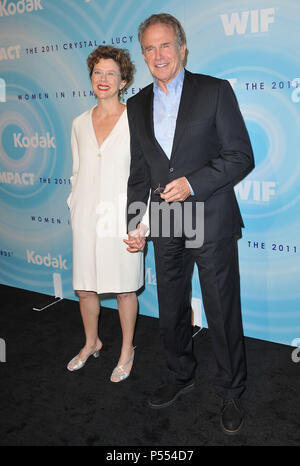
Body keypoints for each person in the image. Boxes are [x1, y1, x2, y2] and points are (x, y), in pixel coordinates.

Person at [124, 13, 254, 433]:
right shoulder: (137, 104)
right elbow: (140, 173)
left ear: (182, 48)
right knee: (171, 307)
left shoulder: (215, 91)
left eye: (166, 45)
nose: (158, 55)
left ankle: (232, 390)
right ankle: (181, 374)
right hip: (164, 218)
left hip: (208, 214)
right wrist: (134, 223)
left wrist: (192, 184)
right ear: (143, 54)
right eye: (149, 47)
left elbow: (240, 156)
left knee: (221, 309)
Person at [67, 45, 147, 382]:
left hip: (122, 219)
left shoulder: (136, 120)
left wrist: (141, 224)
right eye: (98, 72)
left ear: (124, 80)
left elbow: (146, 176)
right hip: (86, 219)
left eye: (111, 73)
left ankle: (127, 349)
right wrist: (75, 206)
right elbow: (76, 171)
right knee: (86, 289)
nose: (103, 79)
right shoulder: (79, 123)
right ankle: (92, 342)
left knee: (126, 288)